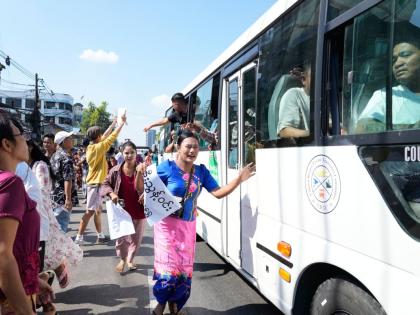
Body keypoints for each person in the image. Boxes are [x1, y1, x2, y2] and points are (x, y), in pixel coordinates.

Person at [138, 130, 255, 315]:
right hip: (167, 227)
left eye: (195, 147)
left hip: (188, 227)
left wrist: (239, 178)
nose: (192, 151)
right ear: (178, 147)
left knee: (183, 271)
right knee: (168, 270)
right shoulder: (165, 167)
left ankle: (175, 305)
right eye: (188, 146)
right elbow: (147, 188)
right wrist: (143, 182)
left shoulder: (201, 171)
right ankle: (160, 306)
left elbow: (218, 193)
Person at [0, 112, 54, 314]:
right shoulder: (10, 183)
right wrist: (26, 311)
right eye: (21, 134)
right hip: (12, 299)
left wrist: (33, 279)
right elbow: (3, 255)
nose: (26, 139)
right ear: (7, 144)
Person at [28, 141, 82, 289]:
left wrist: (68, 198)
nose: (45, 144)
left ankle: (53, 271)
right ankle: (52, 271)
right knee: (49, 250)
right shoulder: (49, 158)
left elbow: (66, 179)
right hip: (47, 207)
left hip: (48, 209)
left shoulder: (42, 164)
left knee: (52, 244)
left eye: (48, 141)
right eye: (43, 142)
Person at [357, 23, 420, 131]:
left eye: (405, 55)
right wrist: (413, 128)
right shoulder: (385, 95)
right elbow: (361, 129)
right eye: (393, 60)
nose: (397, 64)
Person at [75, 116, 126, 244]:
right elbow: (112, 136)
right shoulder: (98, 148)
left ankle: (100, 236)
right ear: (97, 137)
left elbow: (107, 134)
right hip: (95, 184)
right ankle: (78, 238)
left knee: (97, 211)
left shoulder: (94, 146)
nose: (102, 135)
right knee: (90, 212)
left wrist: (114, 122)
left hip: (96, 184)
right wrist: (121, 124)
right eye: (100, 135)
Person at [101, 141, 146, 273]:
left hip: (139, 209)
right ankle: (122, 258)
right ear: (122, 153)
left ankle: (130, 260)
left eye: (132, 152)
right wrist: (112, 193)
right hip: (122, 210)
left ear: (136, 153)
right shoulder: (115, 170)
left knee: (136, 239)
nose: (129, 155)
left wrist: (145, 194)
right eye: (126, 153)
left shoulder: (143, 169)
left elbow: (152, 186)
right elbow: (105, 184)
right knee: (121, 238)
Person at [50, 131, 78, 233]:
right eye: (69, 138)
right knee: (62, 226)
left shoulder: (54, 156)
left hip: (54, 196)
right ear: (64, 141)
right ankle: (58, 249)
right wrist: (68, 199)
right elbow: (68, 179)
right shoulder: (66, 158)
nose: (72, 140)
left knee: (56, 226)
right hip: (62, 198)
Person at [277, 62, 311, 138]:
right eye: (316, 76)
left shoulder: (327, 98)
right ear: (303, 79)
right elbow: (284, 131)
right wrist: (313, 134)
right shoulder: (293, 95)